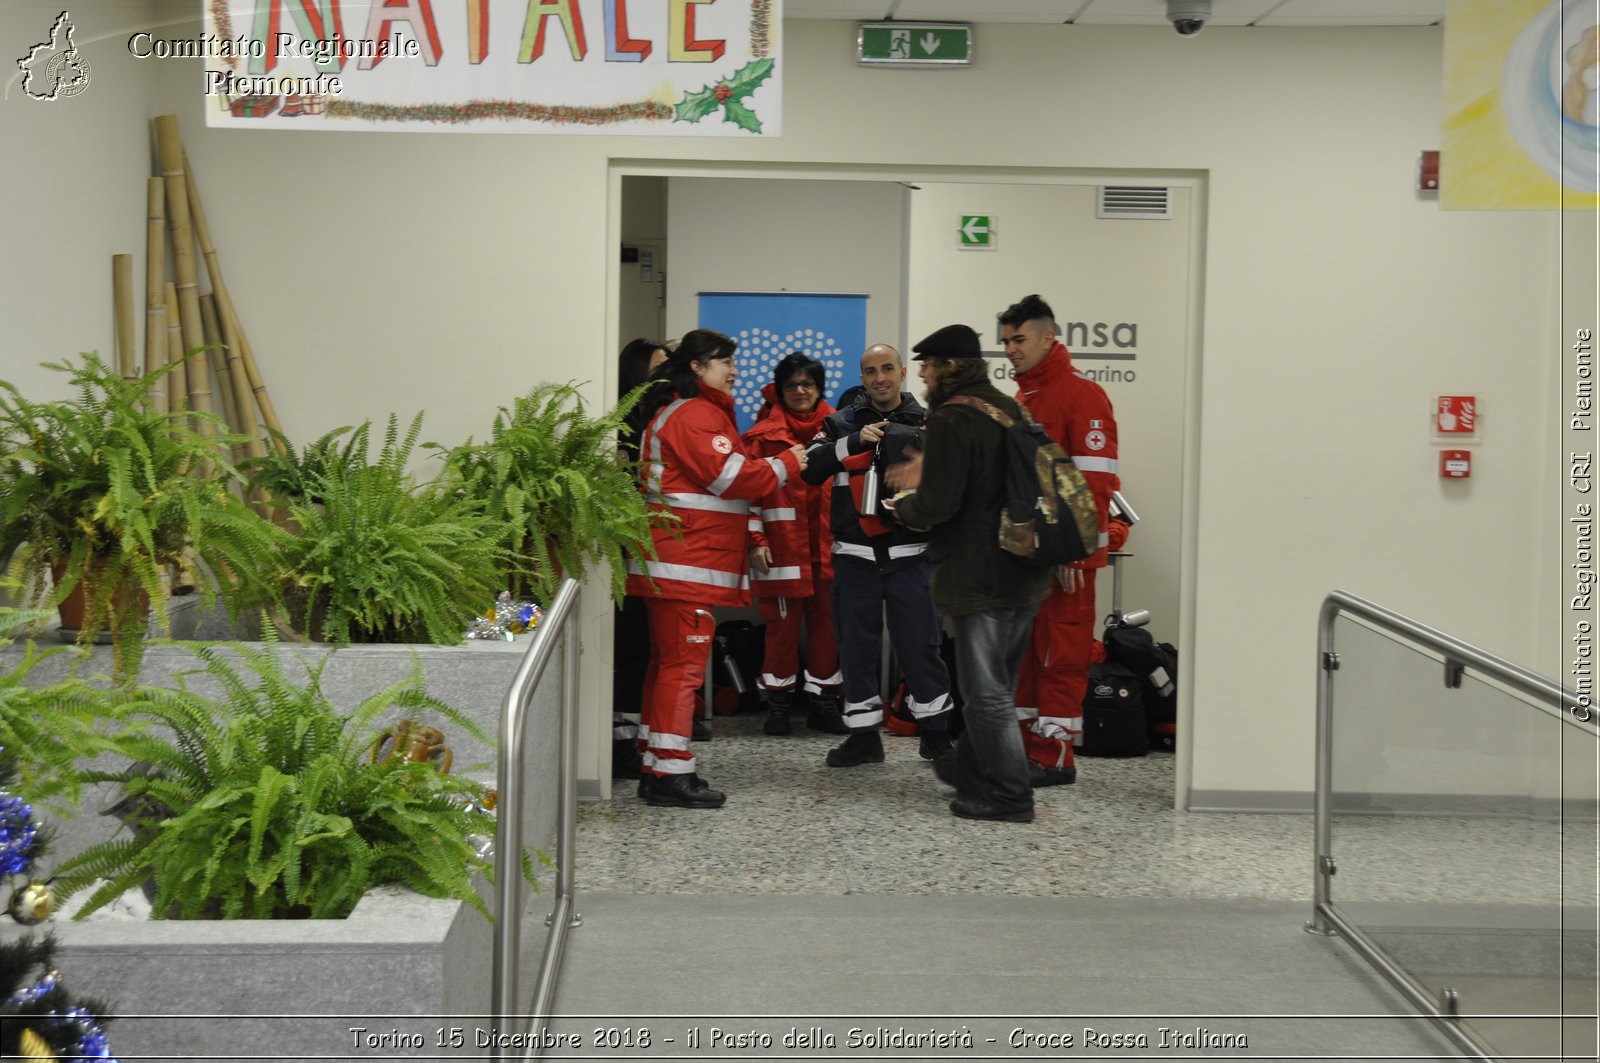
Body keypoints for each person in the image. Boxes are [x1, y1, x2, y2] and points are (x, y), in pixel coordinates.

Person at [625, 329, 807, 808]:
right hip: (688, 563)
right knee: (682, 669)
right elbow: (734, 478)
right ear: (697, 367)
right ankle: (671, 775)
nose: (734, 371)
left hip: (676, 563)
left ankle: (656, 763)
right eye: (725, 362)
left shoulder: (679, 412)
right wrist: (788, 462)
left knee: (667, 666)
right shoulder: (697, 415)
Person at [883, 324, 1052, 822]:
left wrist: (905, 507)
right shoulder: (1009, 408)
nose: (925, 376)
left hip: (981, 577)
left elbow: (940, 502)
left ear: (951, 367)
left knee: (986, 695)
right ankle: (975, 774)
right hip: (1024, 570)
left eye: (930, 366)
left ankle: (1010, 795)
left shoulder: (954, 418)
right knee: (997, 683)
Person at [997, 295, 1128, 788]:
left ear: (1048, 337)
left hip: (1065, 559)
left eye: (1019, 339)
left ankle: (1054, 756)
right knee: (1029, 654)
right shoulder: (1022, 400)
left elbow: (1097, 483)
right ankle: (1029, 748)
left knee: (1061, 655)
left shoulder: (1083, 396)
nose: (1010, 349)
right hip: (1027, 556)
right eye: (1005, 341)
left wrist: (1074, 549)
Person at [802, 343, 954, 768]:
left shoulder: (931, 422)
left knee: (922, 647)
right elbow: (809, 468)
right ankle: (864, 738)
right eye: (870, 371)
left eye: (888, 368)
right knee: (855, 650)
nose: (880, 377)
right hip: (854, 557)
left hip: (911, 556)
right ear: (862, 377)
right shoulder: (837, 422)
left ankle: (936, 736)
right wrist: (852, 441)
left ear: (903, 372)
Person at [742, 353, 841, 735]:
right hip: (781, 550)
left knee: (828, 631)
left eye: (807, 385)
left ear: (819, 389)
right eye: (791, 386)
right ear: (780, 391)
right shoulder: (760, 437)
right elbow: (748, 496)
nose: (800, 391)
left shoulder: (841, 430)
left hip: (829, 551)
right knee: (780, 633)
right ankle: (778, 706)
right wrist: (755, 540)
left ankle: (824, 703)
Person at [610, 338, 670, 780]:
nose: (664, 379)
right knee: (629, 648)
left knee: (649, 649)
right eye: (656, 370)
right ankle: (618, 744)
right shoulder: (621, 427)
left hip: (657, 552)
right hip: (623, 552)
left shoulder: (663, 419)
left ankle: (637, 737)